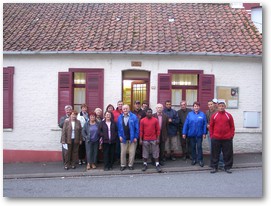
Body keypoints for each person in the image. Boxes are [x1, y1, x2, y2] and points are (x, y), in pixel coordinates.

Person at [209, 100, 235, 174]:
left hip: (227, 138)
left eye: (222, 106)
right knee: (215, 154)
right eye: (220, 106)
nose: (221, 107)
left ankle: (227, 167)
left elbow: (232, 126)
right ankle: (214, 167)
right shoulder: (214, 115)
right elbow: (211, 126)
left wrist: (231, 135)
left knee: (227, 154)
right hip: (216, 138)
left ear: (225, 107)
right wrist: (212, 135)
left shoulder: (229, 115)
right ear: (217, 106)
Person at [182, 101, 207, 167]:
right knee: (192, 147)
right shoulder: (189, 114)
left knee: (199, 147)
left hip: (199, 134)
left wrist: (204, 133)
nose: (196, 107)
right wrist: (184, 133)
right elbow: (186, 124)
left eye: (197, 106)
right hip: (191, 134)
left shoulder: (202, 114)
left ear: (199, 107)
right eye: (195, 106)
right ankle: (194, 159)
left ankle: (200, 160)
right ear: (193, 107)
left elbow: (204, 124)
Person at [117, 104, 139, 171]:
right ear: (122, 110)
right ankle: (123, 165)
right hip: (123, 138)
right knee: (123, 153)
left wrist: (136, 137)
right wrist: (120, 136)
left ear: (129, 109)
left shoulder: (134, 117)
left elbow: (137, 128)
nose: (125, 110)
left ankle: (130, 165)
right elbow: (118, 128)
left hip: (132, 138)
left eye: (126, 108)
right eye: (124, 109)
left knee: (132, 153)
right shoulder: (120, 117)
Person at [140, 108, 162, 173]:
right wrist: (141, 139)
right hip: (145, 139)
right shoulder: (142, 120)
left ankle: (157, 164)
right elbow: (141, 130)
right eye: (148, 112)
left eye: (151, 112)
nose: (150, 113)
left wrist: (158, 138)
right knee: (145, 153)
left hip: (154, 139)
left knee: (156, 152)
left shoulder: (155, 120)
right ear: (146, 113)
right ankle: (145, 164)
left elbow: (158, 130)